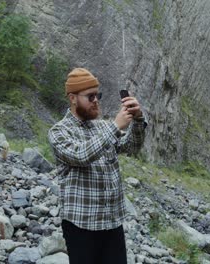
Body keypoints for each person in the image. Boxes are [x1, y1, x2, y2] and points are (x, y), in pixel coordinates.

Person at [48, 68, 146, 264]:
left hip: (112, 223)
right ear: (73, 98)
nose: (96, 100)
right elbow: (80, 155)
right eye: (90, 96)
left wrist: (138, 119)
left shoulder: (102, 127)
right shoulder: (59, 131)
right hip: (81, 226)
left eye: (97, 95)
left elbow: (131, 147)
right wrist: (116, 126)